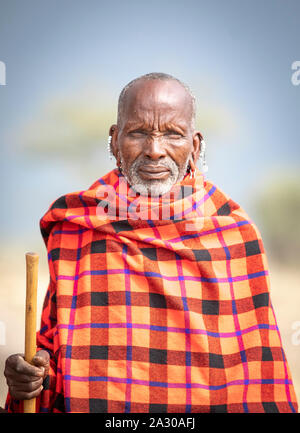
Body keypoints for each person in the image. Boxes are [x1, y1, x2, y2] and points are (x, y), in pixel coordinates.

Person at [4, 73, 298, 413]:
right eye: (138, 133)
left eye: (172, 134)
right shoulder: (77, 227)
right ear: (114, 141)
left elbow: (255, 376)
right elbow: (53, 355)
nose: (155, 151)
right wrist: (31, 373)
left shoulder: (234, 236)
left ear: (195, 145)